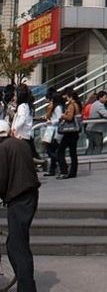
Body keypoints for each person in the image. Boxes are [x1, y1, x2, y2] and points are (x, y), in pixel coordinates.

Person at [0, 119, 40, 292]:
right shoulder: (21, 143)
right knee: (15, 243)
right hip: (30, 195)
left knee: (18, 247)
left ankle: (27, 287)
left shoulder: (3, 148)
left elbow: (1, 178)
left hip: (19, 199)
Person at [56, 87, 82, 179]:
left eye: (67, 97)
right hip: (75, 132)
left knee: (60, 151)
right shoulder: (77, 105)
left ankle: (64, 171)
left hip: (69, 132)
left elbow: (70, 118)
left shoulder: (71, 105)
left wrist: (63, 116)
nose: (66, 99)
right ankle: (73, 172)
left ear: (70, 97)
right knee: (73, 152)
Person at [85, 90, 107, 155]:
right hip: (95, 129)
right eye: (105, 97)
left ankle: (89, 158)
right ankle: (96, 158)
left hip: (91, 128)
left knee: (91, 146)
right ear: (100, 97)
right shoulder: (99, 105)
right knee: (98, 145)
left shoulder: (94, 104)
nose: (106, 99)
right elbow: (106, 115)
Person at [42, 90, 64, 177]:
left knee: (50, 150)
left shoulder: (57, 107)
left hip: (54, 130)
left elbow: (59, 118)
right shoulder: (54, 107)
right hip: (51, 130)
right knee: (51, 149)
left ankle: (59, 163)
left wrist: (51, 122)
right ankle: (53, 169)